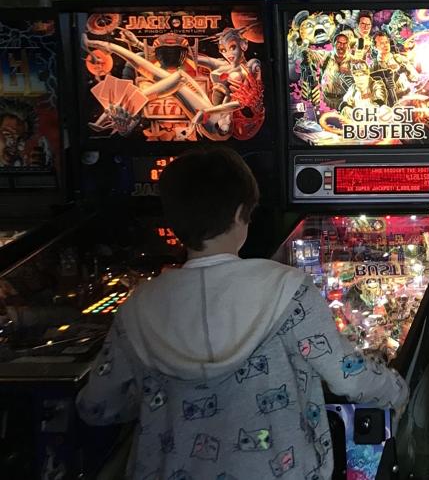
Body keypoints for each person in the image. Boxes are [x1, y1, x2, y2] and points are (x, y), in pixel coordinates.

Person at [76, 147, 407, 480]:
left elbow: (98, 405)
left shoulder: (138, 308)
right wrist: (396, 390)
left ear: (173, 220)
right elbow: (345, 375)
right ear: (240, 214)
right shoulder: (287, 290)